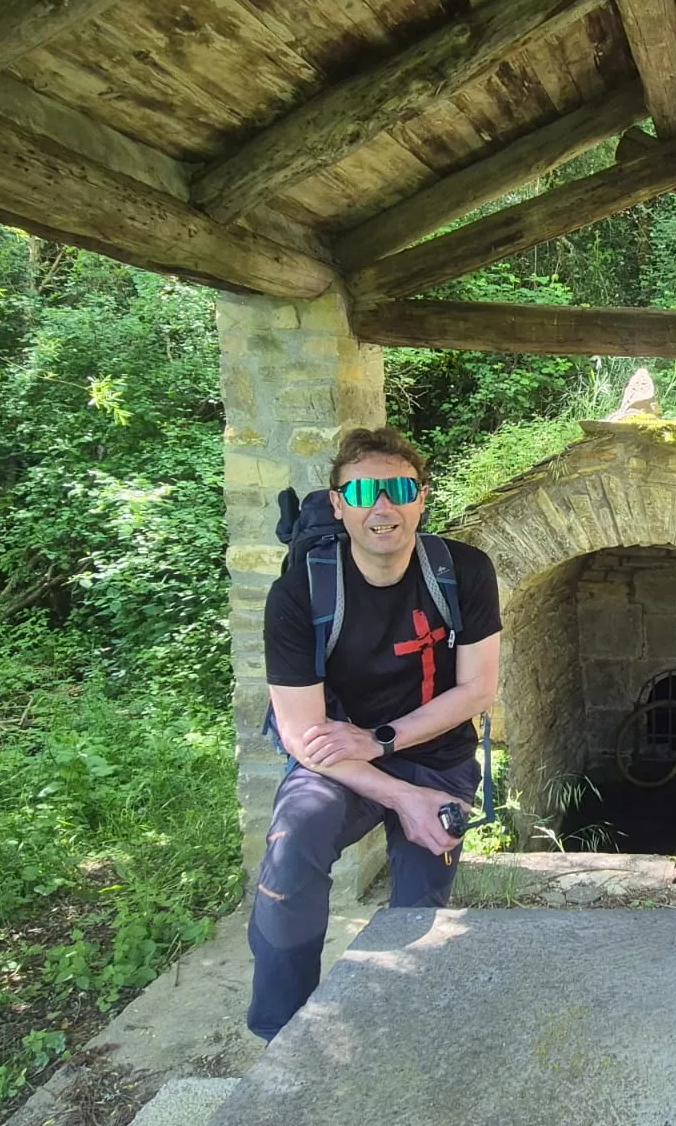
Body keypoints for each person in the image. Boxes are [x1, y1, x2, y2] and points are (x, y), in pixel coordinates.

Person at [247, 426, 502, 1041]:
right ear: (339, 504)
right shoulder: (302, 590)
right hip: (338, 763)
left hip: (434, 754)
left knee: (419, 907)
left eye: (398, 489)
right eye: (362, 490)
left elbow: (477, 690)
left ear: (421, 498)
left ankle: (393, 1034)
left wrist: (382, 740)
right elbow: (303, 732)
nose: (381, 505)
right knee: (294, 845)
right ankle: (283, 1036)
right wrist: (400, 793)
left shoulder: (461, 571)